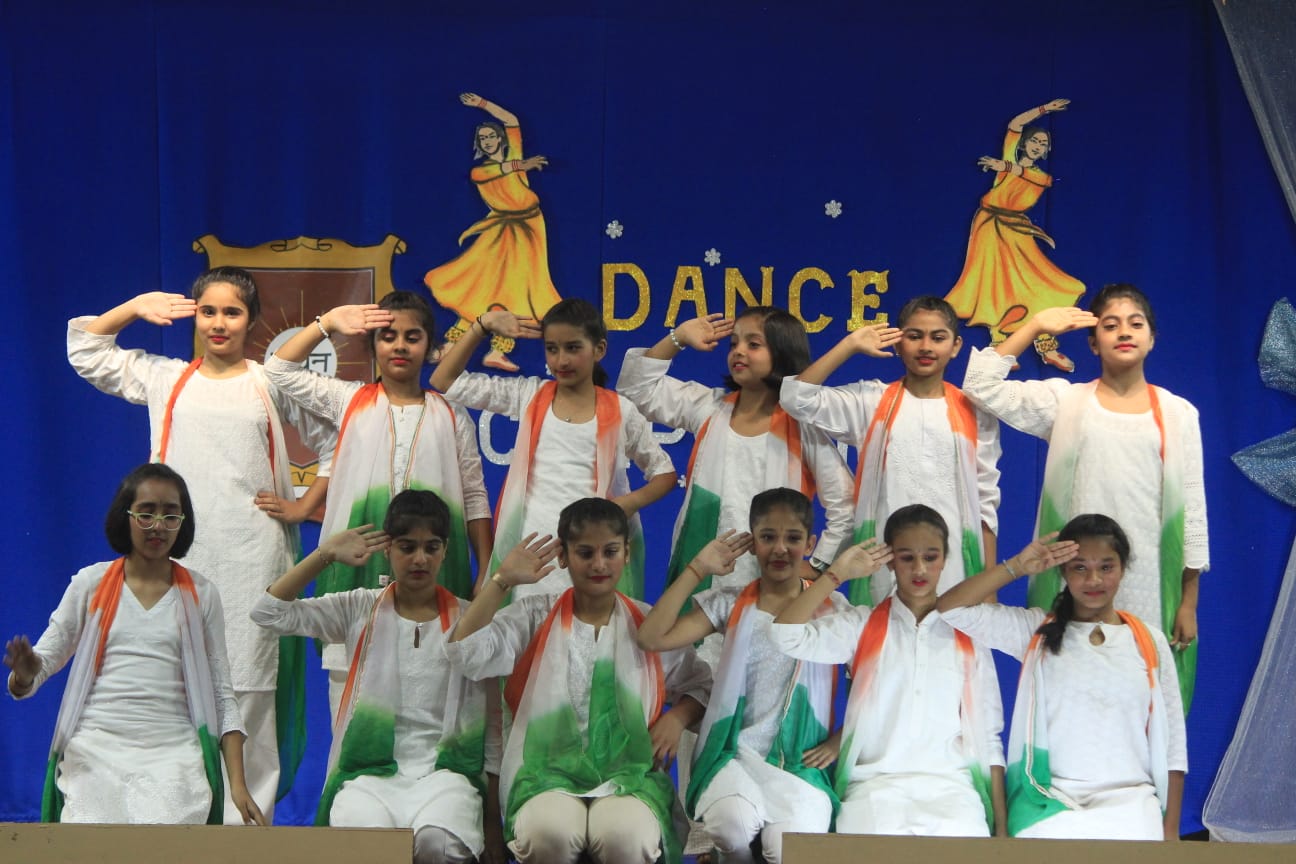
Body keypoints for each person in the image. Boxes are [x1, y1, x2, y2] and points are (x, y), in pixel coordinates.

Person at [66, 266, 332, 820]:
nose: (218, 323)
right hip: (176, 558)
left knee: (249, 687)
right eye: (208, 311)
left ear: (252, 321)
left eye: (232, 312)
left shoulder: (269, 382)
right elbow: (87, 350)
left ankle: (245, 832)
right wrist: (134, 306)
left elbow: (337, 435)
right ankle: (180, 821)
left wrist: (304, 506)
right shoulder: (165, 379)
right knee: (177, 686)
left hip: (253, 556)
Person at [961, 283, 1207, 708]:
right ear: (1093, 343)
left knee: (1140, 700)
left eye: (1135, 324)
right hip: (1073, 573)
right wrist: (1035, 324)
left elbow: (1193, 508)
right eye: (1110, 325)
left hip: (1149, 579)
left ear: (1152, 338)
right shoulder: (1066, 402)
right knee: (1068, 695)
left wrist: (1188, 601)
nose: (1124, 332)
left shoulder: (1178, 413)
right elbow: (980, 384)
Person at [264, 290, 494, 716]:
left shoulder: (452, 415)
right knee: (351, 705)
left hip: (436, 574)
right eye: (388, 337)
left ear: (430, 347)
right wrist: (328, 321)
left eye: (412, 337)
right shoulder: (347, 400)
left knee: (431, 697)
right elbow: (278, 369)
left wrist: (485, 569)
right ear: (373, 346)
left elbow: (475, 497)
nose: (400, 346)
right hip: (357, 575)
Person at [445, 498, 711, 864]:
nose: (599, 564)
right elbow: (465, 652)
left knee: (625, 837)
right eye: (585, 553)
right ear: (563, 556)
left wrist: (677, 718)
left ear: (627, 553)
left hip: (630, 776)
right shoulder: (535, 616)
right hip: (543, 775)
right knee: (549, 834)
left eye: (610, 551)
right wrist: (502, 580)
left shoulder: (647, 624)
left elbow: (702, 685)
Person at [5, 464, 263, 825]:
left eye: (170, 515)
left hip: (175, 755)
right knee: (93, 829)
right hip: (96, 749)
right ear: (125, 516)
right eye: (146, 513)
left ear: (183, 522)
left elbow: (222, 696)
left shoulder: (203, 594)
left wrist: (238, 784)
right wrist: (25, 674)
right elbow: (41, 664)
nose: (158, 525)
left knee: (167, 826)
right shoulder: (90, 584)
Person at [251, 490, 494, 863]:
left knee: (439, 843)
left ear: (445, 551)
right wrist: (324, 555)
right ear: (388, 549)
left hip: (444, 776)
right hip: (370, 777)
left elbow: (493, 721)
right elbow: (268, 613)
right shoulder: (359, 607)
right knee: (366, 839)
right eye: (407, 547)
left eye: (431, 547)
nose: (420, 559)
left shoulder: (468, 620)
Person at [937, 514, 1187, 840]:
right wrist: (1016, 567)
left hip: (1132, 803)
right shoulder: (1036, 632)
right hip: (1048, 801)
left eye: (1106, 567)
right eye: (1080, 568)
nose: (1094, 579)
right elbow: (951, 608)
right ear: (1063, 571)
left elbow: (1174, 746)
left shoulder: (1150, 642)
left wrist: (1171, 834)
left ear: (1123, 568)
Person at [637, 488, 848, 863]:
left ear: (810, 543)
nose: (780, 548)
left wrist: (839, 740)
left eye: (793, 538)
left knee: (787, 850)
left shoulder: (833, 609)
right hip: (733, 756)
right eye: (768, 537)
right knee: (730, 828)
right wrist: (698, 568)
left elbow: (876, 678)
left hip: (799, 765)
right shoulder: (731, 603)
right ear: (753, 543)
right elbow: (651, 638)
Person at [769, 505, 1006, 836]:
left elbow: (990, 739)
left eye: (930, 557)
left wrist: (1002, 830)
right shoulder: (862, 625)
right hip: (874, 789)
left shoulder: (969, 633)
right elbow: (785, 635)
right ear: (890, 560)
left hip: (954, 791)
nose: (919, 569)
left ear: (944, 559)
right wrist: (835, 575)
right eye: (907, 557)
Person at [431, 297, 676, 600]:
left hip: (591, 554)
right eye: (552, 349)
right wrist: (482, 325)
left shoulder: (621, 411)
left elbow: (664, 474)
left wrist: (624, 505)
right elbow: (443, 379)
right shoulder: (528, 395)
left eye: (573, 348)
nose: (561, 360)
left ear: (599, 349)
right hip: (531, 551)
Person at [779, 296, 1002, 606]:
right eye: (914, 336)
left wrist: (988, 589)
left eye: (938, 338)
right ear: (898, 343)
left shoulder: (975, 411)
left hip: (955, 567)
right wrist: (850, 345)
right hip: (883, 562)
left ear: (956, 346)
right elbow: (795, 398)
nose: (926, 347)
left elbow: (986, 506)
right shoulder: (870, 401)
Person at [616, 308, 853, 597]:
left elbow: (845, 503)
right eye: (734, 344)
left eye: (753, 344)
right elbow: (636, 390)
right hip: (700, 572)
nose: (739, 351)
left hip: (771, 587)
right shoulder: (709, 407)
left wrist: (818, 565)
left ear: (783, 352)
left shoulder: (802, 427)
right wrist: (678, 338)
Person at [424, 92, 562, 372]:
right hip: (503, 231)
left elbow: (511, 121)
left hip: (530, 229)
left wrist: (482, 105)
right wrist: (521, 165)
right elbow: (501, 171)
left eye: (490, 136)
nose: (487, 141)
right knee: (483, 288)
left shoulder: (513, 155)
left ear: (500, 139)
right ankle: (454, 345)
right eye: (482, 138)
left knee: (517, 291)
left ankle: (497, 350)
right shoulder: (481, 171)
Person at [944, 99, 1084, 371]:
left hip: (1016, 230)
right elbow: (1015, 124)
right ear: (1023, 144)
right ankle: (999, 343)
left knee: (1035, 284)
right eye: (1035, 141)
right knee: (993, 285)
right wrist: (1044, 110)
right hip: (988, 226)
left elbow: (1023, 174)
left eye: (1043, 144)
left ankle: (1046, 346)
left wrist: (1005, 167)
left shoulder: (1041, 176)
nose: (1038, 146)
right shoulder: (1009, 157)